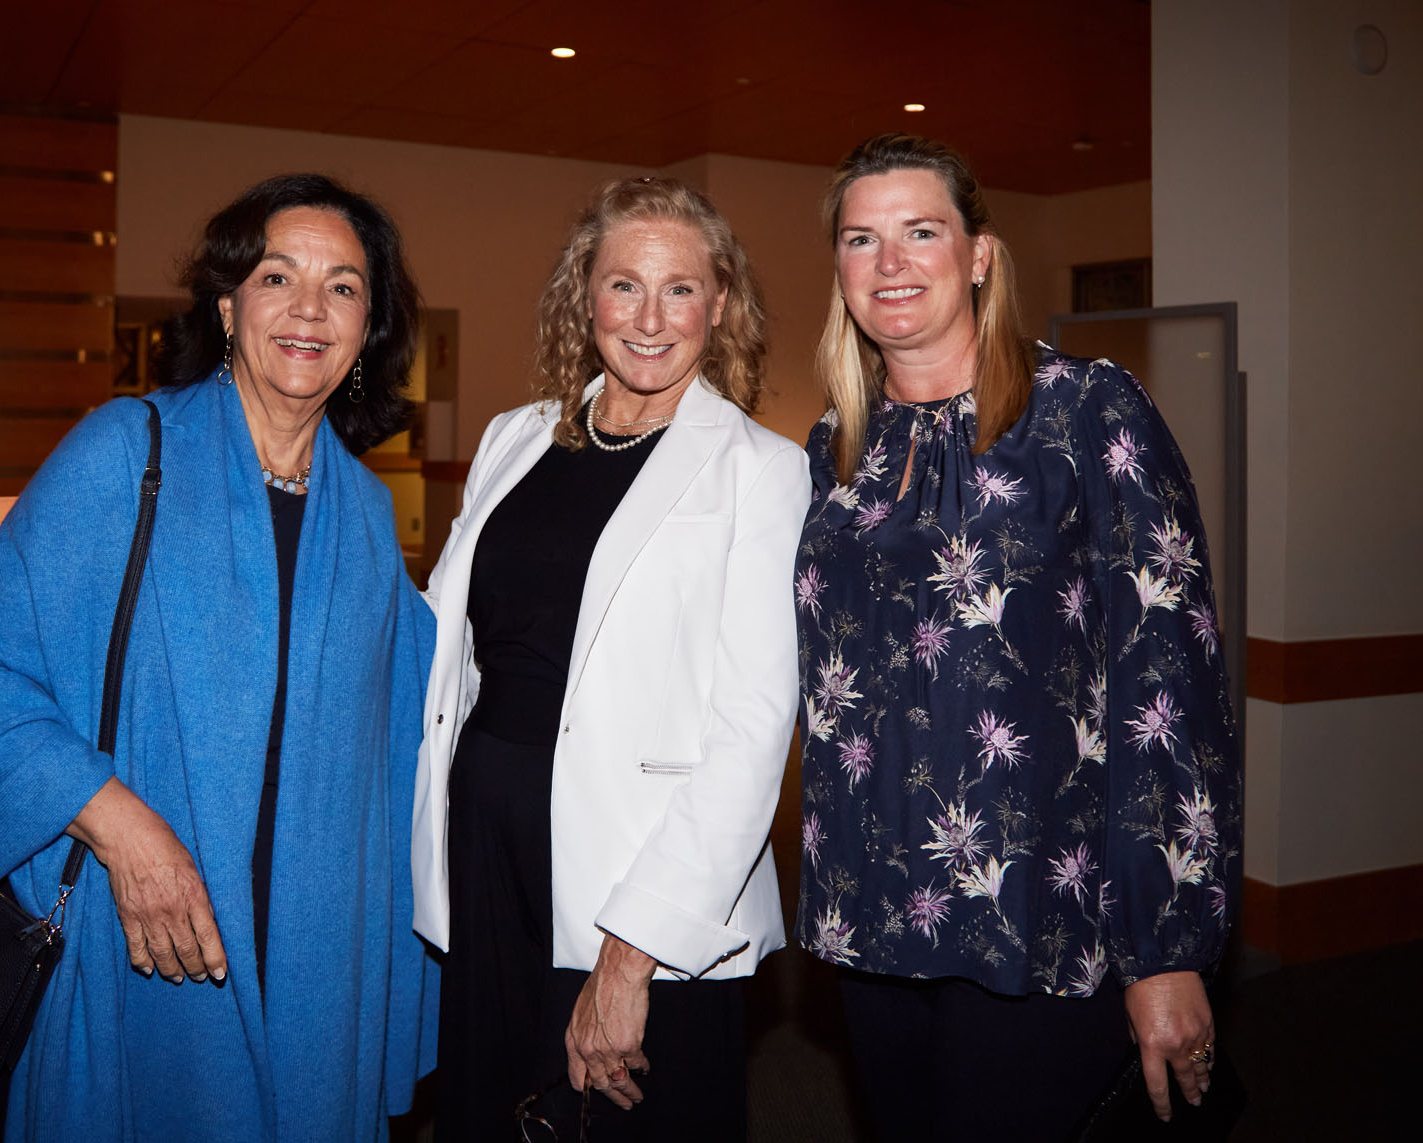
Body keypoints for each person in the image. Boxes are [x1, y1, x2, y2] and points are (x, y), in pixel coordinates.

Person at [0, 173, 438, 1142]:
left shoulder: (367, 518)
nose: (309, 309)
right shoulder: (126, 455)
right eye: (277, 277)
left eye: (343, 287)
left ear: (367, 328)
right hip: (148, 941)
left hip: (314, 969)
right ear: (228, 304)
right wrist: (122, 828)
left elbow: (411, 732)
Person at [793, 133, 1242, 1141]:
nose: (890, 262)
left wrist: (1165, 946)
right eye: (861, 239)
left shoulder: (1085, 410)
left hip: (1039, 916)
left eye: (921, 231)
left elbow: (1167, 676)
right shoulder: (835, 446)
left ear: (979, 255)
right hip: (872, 916)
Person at [411, 177, 808, 1141]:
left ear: (720, 305)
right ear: (584, 295)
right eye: (624, 285)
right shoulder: (513, 438)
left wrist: (631, 955)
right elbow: (439, 642)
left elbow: (752, 733)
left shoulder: (760, 468)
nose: (649, 317)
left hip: (638, 880)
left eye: (681, 289)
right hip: (484, 856)